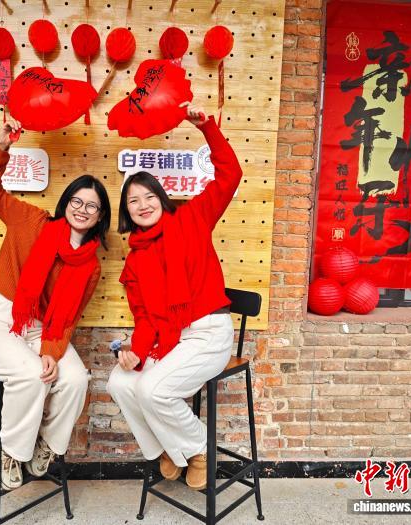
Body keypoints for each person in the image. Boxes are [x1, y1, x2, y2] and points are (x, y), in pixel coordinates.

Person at [107, 103, 242, 491]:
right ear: (127, 211)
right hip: (170, 338)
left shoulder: (192, 219)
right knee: (119, 382)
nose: (143, 205)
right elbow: (144, 318)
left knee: (153, 390)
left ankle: (198, 449)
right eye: (133, 201)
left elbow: (231, 175)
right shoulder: (135, 260)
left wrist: (207, 128)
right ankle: (168, 447)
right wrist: (134, 352)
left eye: (148, 196)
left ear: (161, 198)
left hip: (207, 333)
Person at [0, 119, 111, 490]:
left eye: (92, 206)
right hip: (1, 318)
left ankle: (44, 445)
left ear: (100, 217)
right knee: (32, 376)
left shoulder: (91, 266)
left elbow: (68, 319)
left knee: (76, 379)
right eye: (77, 201)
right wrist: (2, 146)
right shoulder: (30, 221)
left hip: (44, 330)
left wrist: (51, 350)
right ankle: (8, 449)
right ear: (66, 203)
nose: (82, 209)